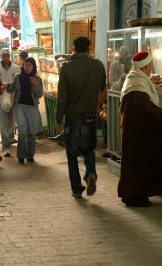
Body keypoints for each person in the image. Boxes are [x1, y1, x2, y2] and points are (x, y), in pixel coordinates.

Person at [118, 51, 162, 207]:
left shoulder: (135, 79)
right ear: (147, 66)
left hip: (134, 132)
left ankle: (134, 194)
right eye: (150, 64)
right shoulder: (137, 85)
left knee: (134, 164)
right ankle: (134, 195)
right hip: (137, 134)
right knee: (137, 164)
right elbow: (144, 110)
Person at [55, 36, 106, 198]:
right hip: (90, 116)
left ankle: (77, 189)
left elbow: (62, 97)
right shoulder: (97, 66)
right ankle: (91, 173)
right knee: (89, 150)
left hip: (72, 118)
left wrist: (58, 119)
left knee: (71, 154)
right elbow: (102, 88)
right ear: (89, 49)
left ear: (74, 49)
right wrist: (97, 107)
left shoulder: (66, 68)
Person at [7, 57, 43, 164]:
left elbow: (39, 94)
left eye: (30, 65)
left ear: (33, 67)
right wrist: (7, 86)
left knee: (31, 133)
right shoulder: (18, 77)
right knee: (22, 132)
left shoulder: (37, 79)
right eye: (25, 65)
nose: (27, 67)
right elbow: (10, 89)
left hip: (32, 108)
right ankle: (21, 156)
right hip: (20, 107)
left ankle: (30, 155)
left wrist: (36, 85)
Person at [0, 48, 21, 157]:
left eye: (7, 55)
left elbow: (19, 84)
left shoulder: (16, 68)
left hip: (13, 99)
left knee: (11, 123)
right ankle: (6, 147)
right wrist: (1, 87)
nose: (6, 57)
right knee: (2, 123)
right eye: (4, 55)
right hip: (0, 100)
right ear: (1, 56)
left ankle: (9, 140)